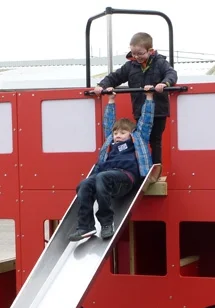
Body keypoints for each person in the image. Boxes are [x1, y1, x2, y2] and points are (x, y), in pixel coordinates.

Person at [68, 86, 155, 242]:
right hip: (107, 179)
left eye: (122, 133)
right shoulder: (110, 144)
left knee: (102, 177)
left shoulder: (138, 139)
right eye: (116, 133)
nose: (118, 136)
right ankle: (86, 226)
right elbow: (108, 123)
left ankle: (107, 223)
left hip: (125, 179)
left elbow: (146, 121)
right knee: (84, 184)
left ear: (131, 133)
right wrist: (111, 100)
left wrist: (149, 97)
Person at [93, 32, 177, 166]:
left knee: (155, 139)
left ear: (150, 51)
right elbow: (115, 77)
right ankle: (142, 168)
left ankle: (156, 168)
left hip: (158, 110)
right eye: (133, 53)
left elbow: (171, 73)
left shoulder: (160, 63)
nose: (136, 57)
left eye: (140, 53)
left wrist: (164, 84)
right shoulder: (131, 66)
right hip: (140, 109)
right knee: (140, 140)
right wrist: (101, 85)